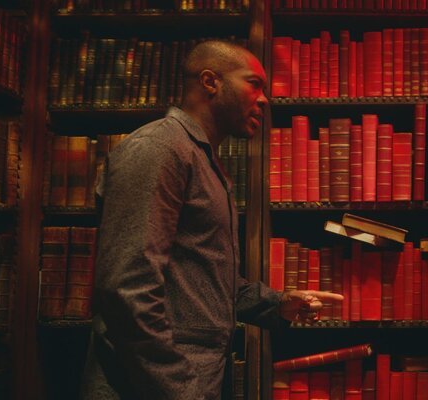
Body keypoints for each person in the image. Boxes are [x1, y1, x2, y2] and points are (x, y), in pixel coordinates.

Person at [80, 40, 343, 400]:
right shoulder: (159, 149)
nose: (265, 100)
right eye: (253, 84)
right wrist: (182, 390)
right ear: (210, 82)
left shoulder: (202, 160)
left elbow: (206, 283)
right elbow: (127, 291)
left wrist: (277, 304)